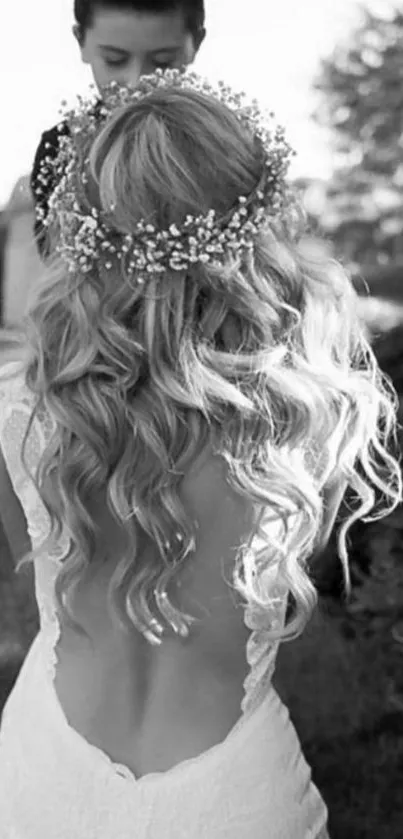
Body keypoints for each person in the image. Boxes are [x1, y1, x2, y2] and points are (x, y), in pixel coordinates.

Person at [0, 69, 401, 838]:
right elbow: (286, 576)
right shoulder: (300, 415)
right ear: (252, 224)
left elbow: (41, 569)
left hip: (44, 768)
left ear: (90, 228)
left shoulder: (29, 405)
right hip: (234, 804)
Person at [31, 0, 205, 257]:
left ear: (196, 44)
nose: (135, 83)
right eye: (115, 60)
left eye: (163, 62)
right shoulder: (60, 152)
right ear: (81, 40)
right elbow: (58, 272)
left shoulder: (227, 147)